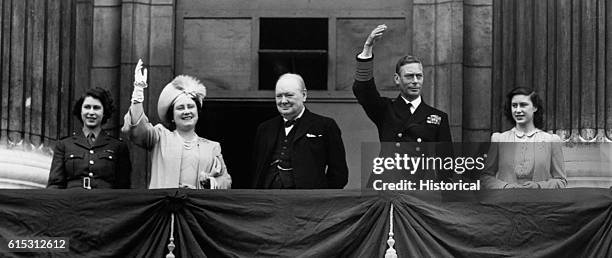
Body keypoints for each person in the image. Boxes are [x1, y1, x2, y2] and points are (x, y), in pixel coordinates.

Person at [353, 24, 452, 183]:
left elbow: (446, 166)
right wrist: (367, 49)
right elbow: (363, 91)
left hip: (420, 189)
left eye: (418, 76)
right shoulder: (385, 109)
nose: (415, 82)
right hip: (386, 186)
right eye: (409, 76)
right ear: (397, 79)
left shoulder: (438, 117)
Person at [122, 59, 231, 189]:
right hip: (165, 206)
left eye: (190, 106)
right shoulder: (160, 137)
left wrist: (211, 182)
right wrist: (138, 94)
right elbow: (138, 131)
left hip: (196, 207)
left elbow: (225, 181)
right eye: (180, 108)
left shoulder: (212, 147)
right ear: (172, 116)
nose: (186, 111)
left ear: (197, 112)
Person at [252, 73, 349, 189]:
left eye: (289, 95)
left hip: (307, 203)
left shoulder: (325, 125)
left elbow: (339, 173)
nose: (283, 101)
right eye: (279, 96)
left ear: (304, 95)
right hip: (268, 201)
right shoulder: (265, 128)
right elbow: (256, 168)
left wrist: (321, 199)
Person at [481, 87, 567, 189]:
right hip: (505, 203)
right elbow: (485, 177)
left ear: (535, 107)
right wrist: (505, 187)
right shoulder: (499, 139)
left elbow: (561, 181)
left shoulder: (552, 140)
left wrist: (539, 186)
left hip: (540, 203)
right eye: (514, 106)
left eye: (523, 105)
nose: (518, 110)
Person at [47, 87, 131, 189]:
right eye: (87, 107)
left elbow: (123, 189)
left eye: (96, 108)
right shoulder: (64, 145)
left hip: (105, 203)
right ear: (80, 111)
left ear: (104, 112)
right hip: (73, 202)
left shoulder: (118, 146)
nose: (91, 112)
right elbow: (55, 185)